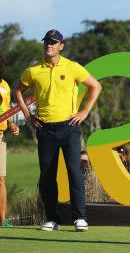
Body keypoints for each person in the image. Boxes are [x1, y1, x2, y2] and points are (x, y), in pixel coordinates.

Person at [13, 29, 102, 232]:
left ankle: (80, 217)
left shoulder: (72, 67)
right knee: (47, 175)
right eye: (47, 42)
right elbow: (18, 90)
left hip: (69, 127)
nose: (49, 45)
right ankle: (52, 219)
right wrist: (28, 116)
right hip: (45, 129)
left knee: (74, 171)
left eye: (53, 42)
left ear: (61, 45)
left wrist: (84, 112)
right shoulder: (33, 71)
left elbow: (95, 86)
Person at [1, 58, 21, 227]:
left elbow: (6, 109)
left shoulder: (5, 86)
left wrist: (12, 123)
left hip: (0, 135)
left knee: (0, 179)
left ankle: (2, 219)